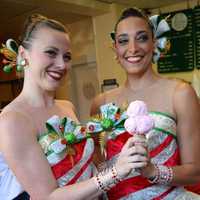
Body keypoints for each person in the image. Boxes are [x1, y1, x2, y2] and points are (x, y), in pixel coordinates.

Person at [0, 14, 149, 200]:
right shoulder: (13, 120)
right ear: (23, 55)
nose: (62, 64)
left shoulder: (67, 107)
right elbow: (47, 196)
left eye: (67, 56)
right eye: (51, 53)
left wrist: (124, 156)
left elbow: (86, 169)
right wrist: (115, 173)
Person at [90, 7, 200, 200]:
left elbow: (195, 172)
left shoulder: (180, 93)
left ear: (154, 43)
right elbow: (98, 170)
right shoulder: (101, 102)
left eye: (141, 38)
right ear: (115, 48)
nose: (133, 49)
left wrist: (152, 171)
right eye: (123, 41)